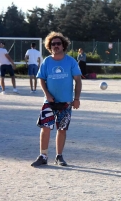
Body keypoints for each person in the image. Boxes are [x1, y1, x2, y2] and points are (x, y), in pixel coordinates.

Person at [31, 31, 82, 167]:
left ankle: (59, 156)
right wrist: (47, 94)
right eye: (53, 44)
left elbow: (78, 80)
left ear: (63, 45)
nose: (56, 46)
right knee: (45, 128)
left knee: (62, 129)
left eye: (58, 43)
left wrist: (76, 98)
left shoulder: (71, 61)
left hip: (65, 102)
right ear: (50, 46)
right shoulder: (47, 61)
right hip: (49, 102)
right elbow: (41, 79)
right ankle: (43, 155)